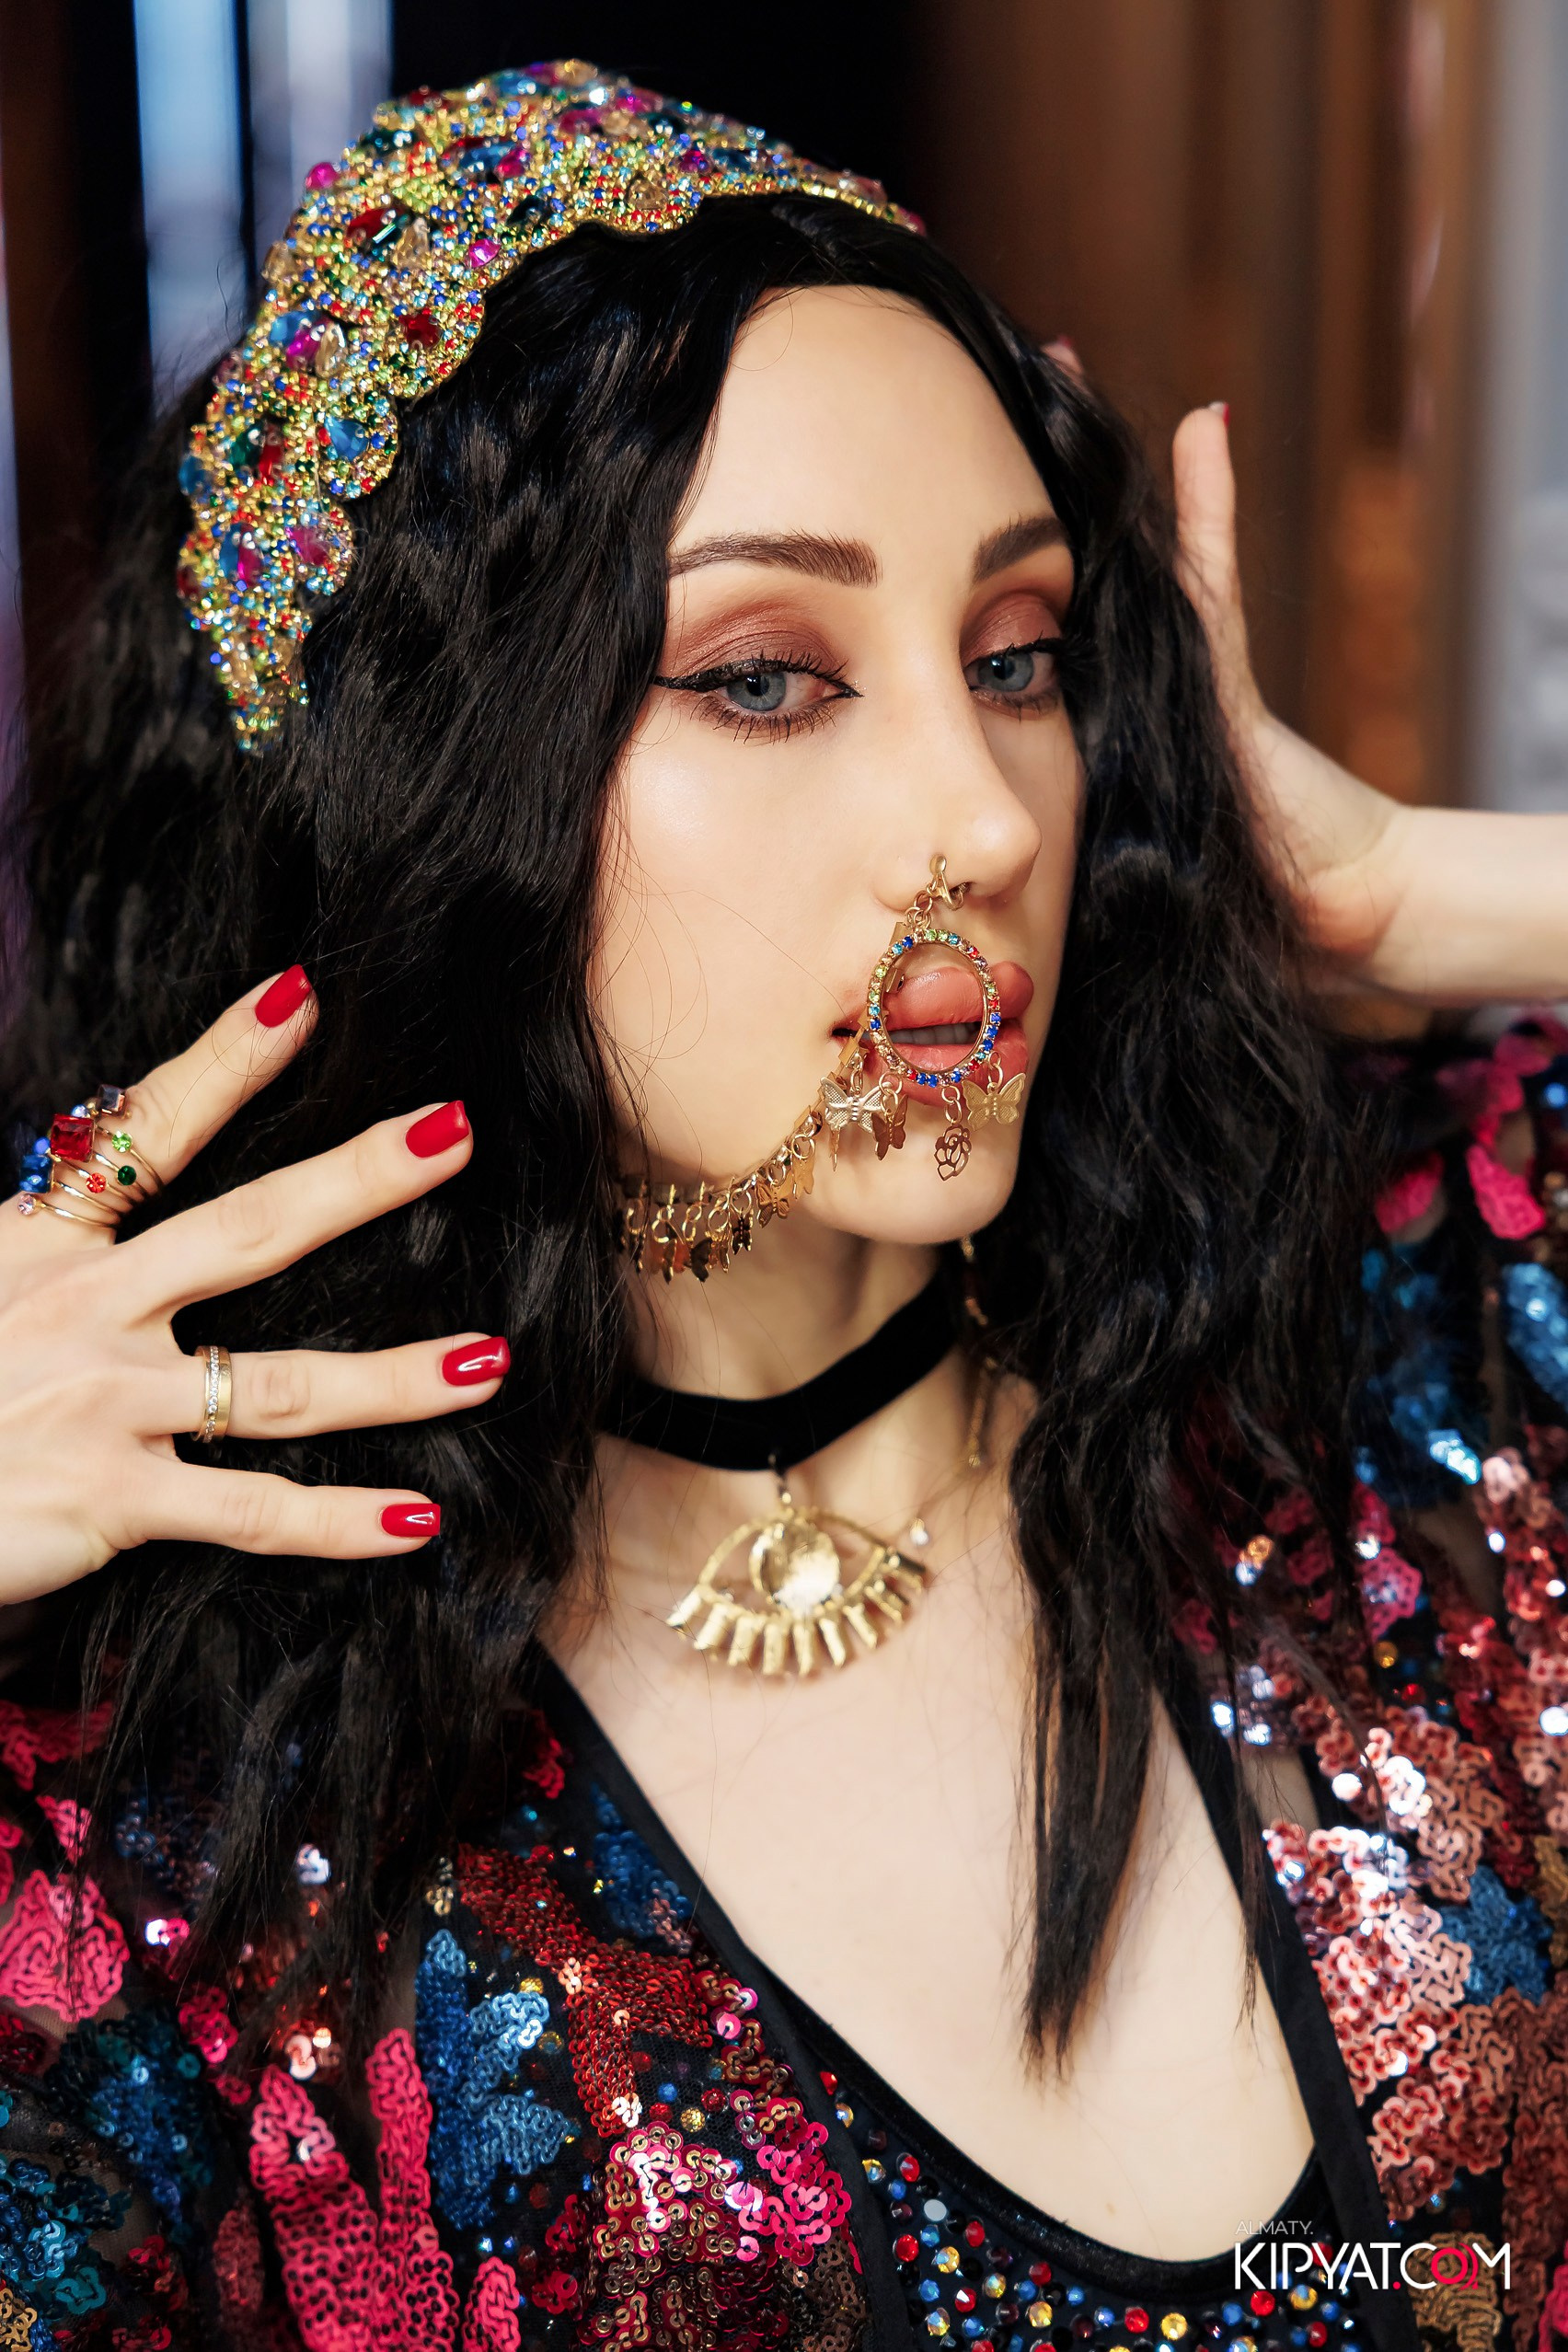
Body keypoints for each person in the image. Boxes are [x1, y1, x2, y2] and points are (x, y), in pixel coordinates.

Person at [0, 57, 1563, 2352]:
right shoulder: (169, 1802)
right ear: (443, 786)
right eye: (765, 677)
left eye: (1018, 659)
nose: (990, 817)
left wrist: (1428, 890)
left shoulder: (1425, 1322)